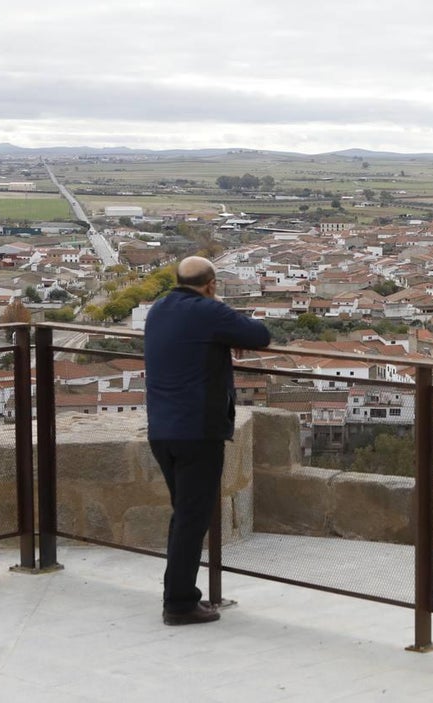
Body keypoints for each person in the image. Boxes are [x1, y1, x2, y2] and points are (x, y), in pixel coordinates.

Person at [144, 256, 271, 625]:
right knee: (192, 518)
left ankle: (177, 594)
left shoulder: (158, 309)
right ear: (211, 285)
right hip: (197, 431)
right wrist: (223, 321)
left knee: (184, 514)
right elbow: (260, 335)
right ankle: (179, 604)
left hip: (162, 429)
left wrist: (221, 335)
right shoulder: (208, 312)